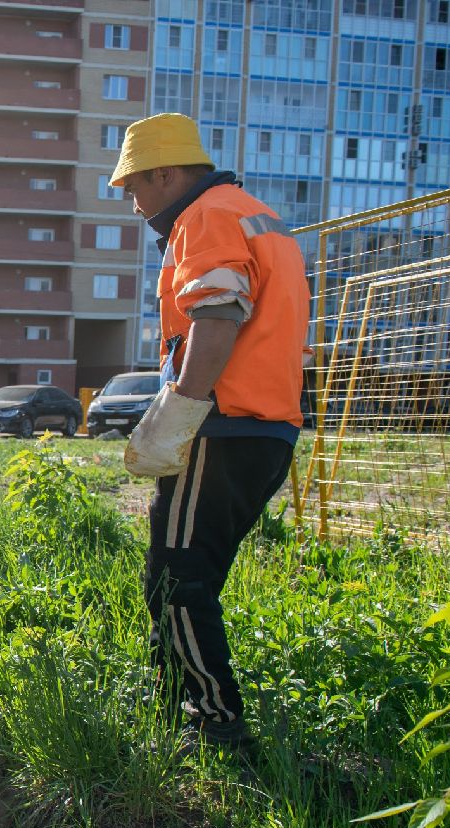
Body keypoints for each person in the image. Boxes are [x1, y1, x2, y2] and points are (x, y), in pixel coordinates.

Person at [112, 113, 310, 750]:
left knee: (176, 580)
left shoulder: (205, 216)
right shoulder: (257, 215)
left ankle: (214, 720)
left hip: (221, 428)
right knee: (186, 574)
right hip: (268, 430)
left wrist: (178, 413)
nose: (134, 202)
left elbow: (219, 314)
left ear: (167, 173)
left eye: (135, 186)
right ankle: (173, 703)